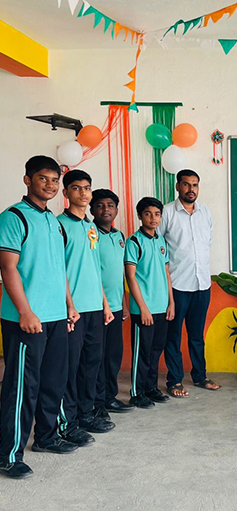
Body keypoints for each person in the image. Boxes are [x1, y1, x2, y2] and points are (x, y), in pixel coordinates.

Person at [0, 156, 79, 480]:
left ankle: (46, 437)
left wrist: (68, 306)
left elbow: (60, 270)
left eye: (54, 180)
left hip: (56, 316)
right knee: (22, 387)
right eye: (43, 178)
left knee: (53, 381)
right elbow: (8, 268)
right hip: (26, 319)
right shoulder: (14, 217)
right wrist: (25, 311)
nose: (50, 185)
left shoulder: (54, 222)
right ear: (27, 180)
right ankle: (8, 455)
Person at [58, 170, 115, 446]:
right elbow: (59, 270)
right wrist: (69, 305)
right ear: (65, 193)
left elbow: (94, 269)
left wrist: (105, 304)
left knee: (91, 364)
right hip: (73, 311)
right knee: (69, 368)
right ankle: (66, 423)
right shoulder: (59, 225)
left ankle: (85, 413)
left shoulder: (91, 227)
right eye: (76, 188)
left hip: (95, 308)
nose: (83, 193)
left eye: (87, 188)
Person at [159, 169, 220, 398]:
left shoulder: (205, 213)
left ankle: (200, 376)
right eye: (186, 184)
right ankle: (174, 380)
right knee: (173, 336)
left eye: (195, 185)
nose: (191, 189)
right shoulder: (167, 212)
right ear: (178, 187)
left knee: (196, 335)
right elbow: (159, 246)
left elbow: (207, 243)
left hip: (202, 283)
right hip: (177, 285)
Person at [125, 197, 175, 408]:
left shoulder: (161, 241)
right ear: (140, 216)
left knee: (156, 351)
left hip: (161, 307)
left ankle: (150, 388)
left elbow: (166, 273)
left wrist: (171, 303)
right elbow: (131, 277)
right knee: (142, 352)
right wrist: (143, 308)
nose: (153, 218)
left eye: (157, 214)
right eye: (148, 214)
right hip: (143, 310)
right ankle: (137, 393)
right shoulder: (134, 242)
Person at [90, 189, 133, 416]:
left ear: (116, 209)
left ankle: (109, 397)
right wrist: (105, 303)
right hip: (96, 307)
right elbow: (93, 272)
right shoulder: (90, 234)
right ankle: (96, 402)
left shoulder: (119, 236)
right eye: (100, 205)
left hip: (116, 307)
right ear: (92, 209)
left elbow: (120, 275)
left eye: (110, 205)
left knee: (113, 355)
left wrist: (124, 302)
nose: (105, 209)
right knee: (96, 357)